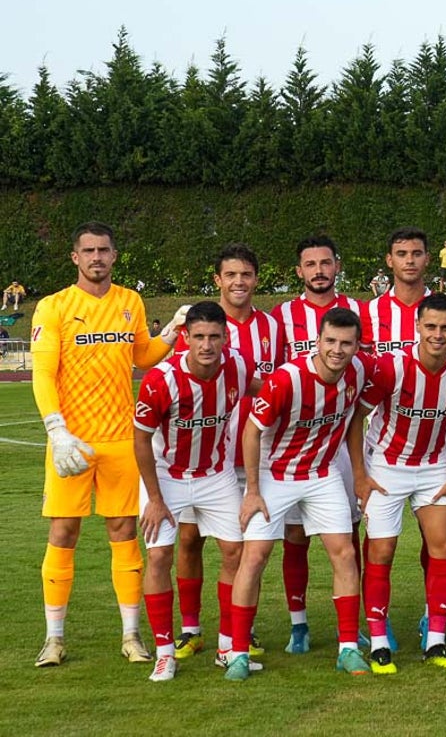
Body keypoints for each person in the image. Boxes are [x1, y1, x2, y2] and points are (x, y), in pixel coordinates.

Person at [31, 221, 185, 667]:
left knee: (124, 534)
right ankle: (54, 639)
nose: (97, 257)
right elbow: (42, 372)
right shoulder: (54, 307)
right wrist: (56, 430)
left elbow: (141, 356)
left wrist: (172, 333)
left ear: (114, 256)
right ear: (75, 258)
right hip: (71, 442)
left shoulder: (129, 302)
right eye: (88, 251)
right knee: (63, 533)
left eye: (104, 250)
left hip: (121, 439)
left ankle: (131, 635)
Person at [224, 307, 371, 680]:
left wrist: (358, 473)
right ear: (317, 340)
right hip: (276, 476)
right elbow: (252, 431)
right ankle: (238, 653)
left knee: (344, 553)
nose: (338, 350)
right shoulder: (286, 380)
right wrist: (253, 490)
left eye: (346, 343)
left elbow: (356, 417)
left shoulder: (358, 371)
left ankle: (348, 648)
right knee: (254, 556)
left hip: (322, 475)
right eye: (331, 341)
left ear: (357, 345)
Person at [348, 293, 446, 672]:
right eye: (431, 326)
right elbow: (356, 419)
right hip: (387, 468)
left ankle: (437, 642)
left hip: (433, 467)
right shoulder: (391, 367)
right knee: (381, 551)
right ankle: (379, 643)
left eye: (445, 327)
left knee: (444, 547)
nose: (438, 334)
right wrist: (361, 474)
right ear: (417, 327)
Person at [172, 243, 283, 665]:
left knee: (242, 549)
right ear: (218, 279)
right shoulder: (194, 322)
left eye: (247, 275)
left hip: (254, 456)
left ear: (257, 279)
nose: (239, 282)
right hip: (199, 458)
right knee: (188, 540)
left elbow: (276, 386)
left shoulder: (272, 328)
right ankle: (191, 628)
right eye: (230, 275)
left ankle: (236, 631)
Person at [134, 302, 255, 681]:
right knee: (158, 557)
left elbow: (265, 387)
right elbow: (140, 441)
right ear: (185, 338)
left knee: (236, 551)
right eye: (198, 336)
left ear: (226, 337)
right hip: (166, 476)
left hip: (216, 475)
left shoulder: (236, 365)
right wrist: (154, 499)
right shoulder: (160, 379)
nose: (206, 345)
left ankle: (226, 646)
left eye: (214, 336)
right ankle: (165, 652)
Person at [270, 235, 373, 655]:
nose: (318, 271)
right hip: (293, 444)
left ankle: (355, 625)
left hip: (340, 441)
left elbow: (369, 369)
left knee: (347, 533)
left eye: (325, 263)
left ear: (337, 266)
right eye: (310, 264)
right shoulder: (281, 317)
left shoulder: (356, 312)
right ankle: (299, 624)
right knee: (295, 535)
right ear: (299, 271)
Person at [368, 228, 430, 354]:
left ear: (427, 259)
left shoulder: (445, 309)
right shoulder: (369, 310)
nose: (410, 261)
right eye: (401, 254)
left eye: (417, 254)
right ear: (389, 260)